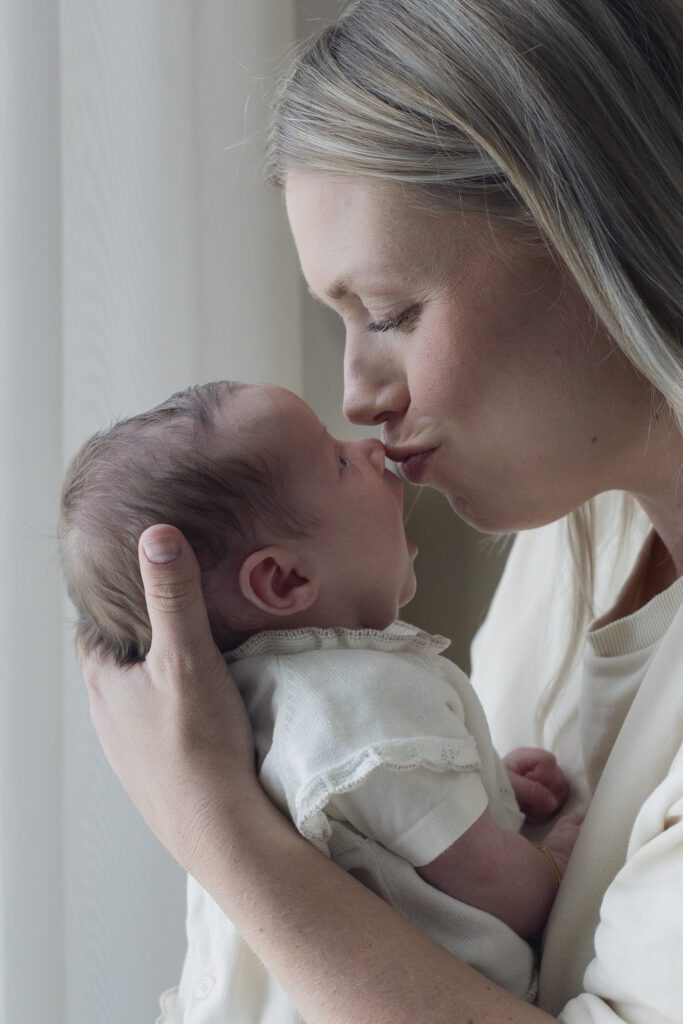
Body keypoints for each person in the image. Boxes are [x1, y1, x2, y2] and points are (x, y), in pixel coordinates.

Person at [81, 1, 683, 1022]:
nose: (358, 393)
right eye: (342, 321)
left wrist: (215, 824)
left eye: (393, 312)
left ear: (596, 230)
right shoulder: (563, 548)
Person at [60, 379, 580, 1019]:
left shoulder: (235, 714)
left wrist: (478, 785)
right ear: (284, 579)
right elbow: (503, 890)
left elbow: (368, 831)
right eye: (337, 461)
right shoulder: (366, 701)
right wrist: (553, 862)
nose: (367, 448)